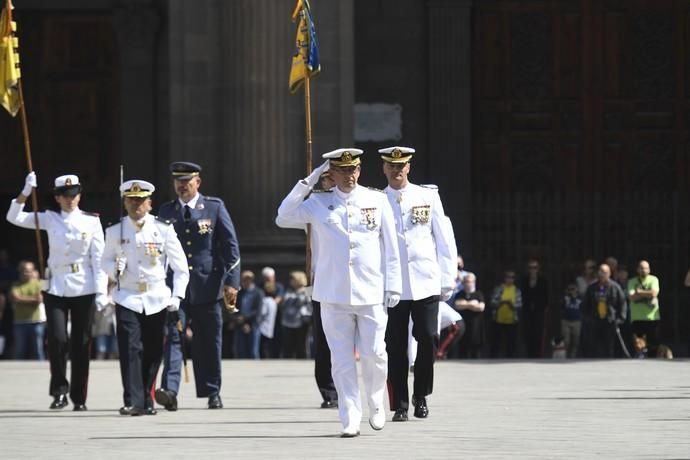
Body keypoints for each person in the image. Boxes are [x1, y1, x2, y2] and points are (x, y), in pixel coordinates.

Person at [276, 148, 402, 437]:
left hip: (371, 291)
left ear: (359, 170)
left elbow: (391, 248)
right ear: (330, 174)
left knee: (375, 353)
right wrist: (309, 180)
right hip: (332, 294)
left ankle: (375, 400)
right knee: (341, 359)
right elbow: (283, 216)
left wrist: (393, 284)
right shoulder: (318, 203)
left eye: (353, 169)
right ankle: (350, 414)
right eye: (342, 171)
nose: (350, 176)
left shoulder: (376, 200)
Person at [6, 172, 107, 410]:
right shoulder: (49, 218)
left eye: (73, 195)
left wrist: (101, 291)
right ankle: (59, 392)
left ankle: (79, 397)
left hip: (84, 285)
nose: (70, 199)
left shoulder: (92, 221)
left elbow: (98, 259)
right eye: (64, 195)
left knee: (81, 344)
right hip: (56, 286)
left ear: (80, 196)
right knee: (58, 340)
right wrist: (25, 192)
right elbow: (14, 217)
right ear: (57, 197)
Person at [378, 146, 455, 422]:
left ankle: (420, 394)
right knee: (395, 346)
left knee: (428, 337)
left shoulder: (427, 196)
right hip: (393, 286)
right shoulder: (376, 200)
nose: (397, 171)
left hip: (425, 281)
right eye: (391, 166)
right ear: (384, 169)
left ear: (408, 167)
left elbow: (444, 239)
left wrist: (447, 279)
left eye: (401, 166)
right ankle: (399, 403)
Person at [156, 161, 240, 411]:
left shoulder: (214, 207)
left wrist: (232, 282)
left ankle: (212, 391)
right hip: (175, 289)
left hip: (208, 286)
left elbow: (230, 246)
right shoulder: (166, 211)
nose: (182, 186)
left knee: (209, 341)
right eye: (178, 182)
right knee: (173, 338)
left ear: (197, 182)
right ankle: (170, 391)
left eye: (187, 181)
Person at [102, 180, 189, 415]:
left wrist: (177, 296)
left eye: (141, 200)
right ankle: (133, 401)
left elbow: (181, 268)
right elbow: (105, 260)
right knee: (130, 348)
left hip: (156, 297)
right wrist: (114, 269)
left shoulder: (163, 228)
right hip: (127, 296)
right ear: (124, 202)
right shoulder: (114, 230)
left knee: (152, 351)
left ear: (149, 203)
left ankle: (147, 398)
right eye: (131, 200)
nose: (136, 205)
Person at [581, 264, 627, 358]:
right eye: (601, 272)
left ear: (609, 274)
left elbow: (622, 303)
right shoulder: (591, 287)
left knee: (609, 345)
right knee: (593, 345)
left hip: (610, 321)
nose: (602, 274)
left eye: (605, 272)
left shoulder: (615, 287)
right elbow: (585, 304)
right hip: (595, 320)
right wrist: (587, 319)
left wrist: (620, 319)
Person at [10, 261, 46, 359]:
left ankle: (41, 371)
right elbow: (15, 298)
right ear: (20, 271)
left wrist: (22, 298)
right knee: (19, 351)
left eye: (29, 271)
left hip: (37, 322)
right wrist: (32, 299)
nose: (26, 273)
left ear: (33, 271)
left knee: (38, 351)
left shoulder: (40, 284)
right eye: (24, 271)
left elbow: (40, 299)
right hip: (19, 322)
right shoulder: (15, 285)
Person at [627, 260, 660, 356]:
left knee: (653, 344)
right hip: (637, 317)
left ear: (649, 269)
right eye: (641, 268)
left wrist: (639, 292)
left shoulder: (654, 279)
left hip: (652, 317)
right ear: (637, 270)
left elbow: (654, 293)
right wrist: (647, 294)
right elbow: (631, 297)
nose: (643, 270)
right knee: (638, 344)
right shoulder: (632, 281)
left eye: (646, 268)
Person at [519, 259, 550, 358]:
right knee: (528, 332)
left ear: (538, 269)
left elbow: (546, 296)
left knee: (538, 332)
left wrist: (545, 307)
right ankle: (529, 354)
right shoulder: (524, 280)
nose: (533, 270)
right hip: (527, 310)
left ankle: (538, 355)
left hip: (539, 310)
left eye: (535, 268)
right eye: (531, 268)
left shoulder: (543, 280)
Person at [490, 269, 522, 358]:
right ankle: (493, 358)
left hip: (512, 320)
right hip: (498, 319)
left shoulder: (516, 291)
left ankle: (510, 358)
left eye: (512, 277)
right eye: (508, 277)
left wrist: (511, 304)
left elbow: (519, 304)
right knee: (496, 342)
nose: (510, 279)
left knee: (511, 342)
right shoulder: (499, 289)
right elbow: (492, 302)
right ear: (504, 278)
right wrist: (501, 302)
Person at [280, 271, 312, 359]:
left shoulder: (308, 290)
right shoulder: (288, 290)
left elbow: (310, 305)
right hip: (288, 321)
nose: (290, 281)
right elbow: (283, 303)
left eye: (292, 279)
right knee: (288, 344)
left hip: (302, 321)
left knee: (302, 344)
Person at [454, 273, 486, 359]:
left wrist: (465, 304)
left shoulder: (479, 294)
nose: (468, 284)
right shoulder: (459, 294)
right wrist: (472, 304)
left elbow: (481, 307)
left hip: (476, 327)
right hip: (463, 326)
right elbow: (457, 305)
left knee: (476, 350)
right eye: (466, 282)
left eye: (470, 282)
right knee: (463, 350)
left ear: (474, 282)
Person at [234, 270, 264, 359]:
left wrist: (245, 319)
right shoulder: (239, 293)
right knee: (241, 352)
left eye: (249, 279)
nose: (247, 281)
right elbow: (235, 308)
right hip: (240, 325)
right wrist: (242, 322)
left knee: (253, 352)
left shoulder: (258, 292)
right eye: (244, 279)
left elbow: (257, 310)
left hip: (254, 324)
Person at [560, 283, 582, 358]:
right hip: (566, 321)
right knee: (566, 340)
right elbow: (561, 307)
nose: (572, 291)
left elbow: (583, 308)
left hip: (577, 321)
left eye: (573, 289)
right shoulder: (565, 298)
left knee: (576, 341)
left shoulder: (580, 298)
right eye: (570, 289)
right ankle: (565, 355)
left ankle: (573, 356)